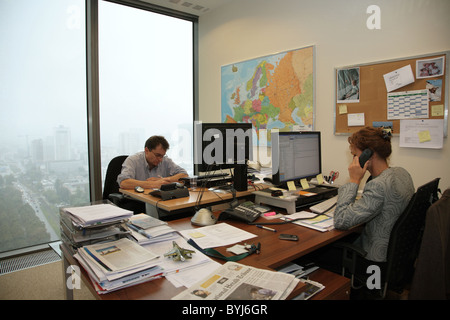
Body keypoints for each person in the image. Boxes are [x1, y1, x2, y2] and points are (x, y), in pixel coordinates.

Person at [334, 126, 415, 263]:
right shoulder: (401, 173)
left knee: (320, 254)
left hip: (373, 260)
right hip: (398, 256)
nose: (352, 160)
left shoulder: (378, 186)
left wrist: (354, 180)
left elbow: (341, 220)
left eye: (355, 155)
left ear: (368, 154)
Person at [117, 135, 188, 190]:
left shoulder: (165, 160)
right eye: (158, 155)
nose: (160, 159)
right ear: (147, 150)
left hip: (157, 200)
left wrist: (164, 180)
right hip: (135, 202)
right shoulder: (132, 160)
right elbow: (124, 182)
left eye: (162, 156)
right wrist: (153, 184)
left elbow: (184, 175)